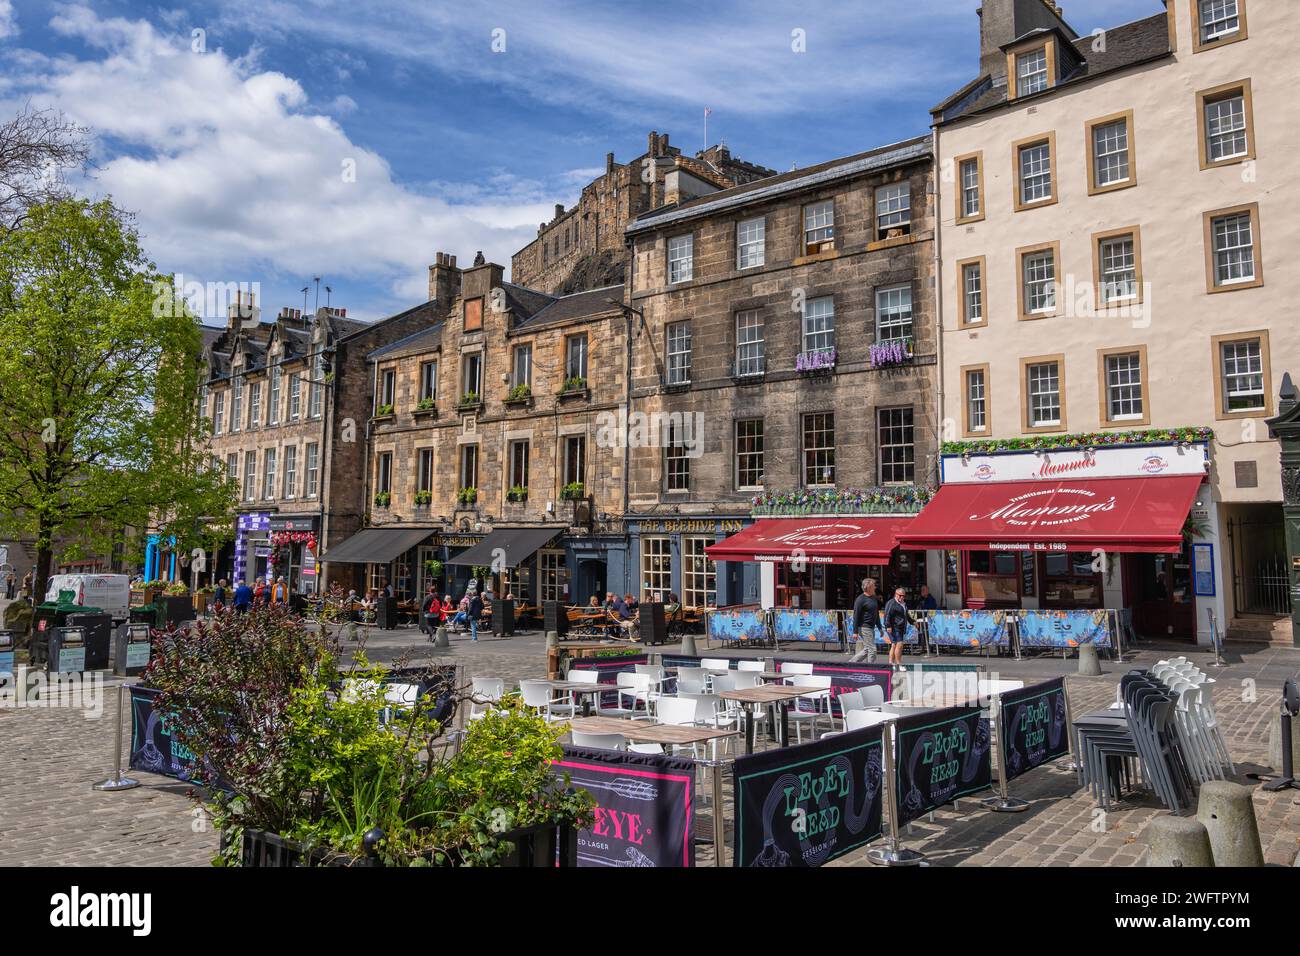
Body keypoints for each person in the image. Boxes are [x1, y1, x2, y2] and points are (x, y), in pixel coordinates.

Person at [882, 586, 917, 669]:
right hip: (894, 627)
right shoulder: (891, 603)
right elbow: (887, 615)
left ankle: (891, 664)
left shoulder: (903, 603)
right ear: (896, 594)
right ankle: (899, 664)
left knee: (894, 645)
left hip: (900, 627)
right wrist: (888, 626)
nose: (902, 597)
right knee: (899, 644)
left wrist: (913, 622)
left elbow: (906, 615)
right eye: (900, 595)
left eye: (903, 596)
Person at [849, 578, 882, 663]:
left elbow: (876, 613)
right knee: (872, 650)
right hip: (864, 627)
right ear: (868, 587)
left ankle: (851, 663)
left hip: (871, 627)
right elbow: (856, 615)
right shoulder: (860, 600)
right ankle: (871, 669)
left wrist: (880, 627)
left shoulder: (873, 598)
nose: (875, 587)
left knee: (867, 649)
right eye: (873, 586)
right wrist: (855, 631)